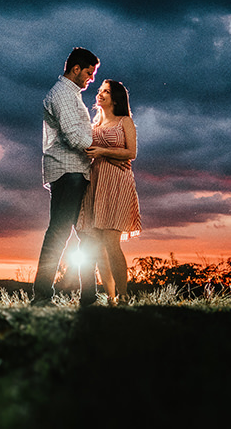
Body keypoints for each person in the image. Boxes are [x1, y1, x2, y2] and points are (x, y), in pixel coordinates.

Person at [32, 47, 101, 306]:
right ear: (75, 69)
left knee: (85, 233)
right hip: (68, 171)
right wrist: (105, 150)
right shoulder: (62, 94)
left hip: (76, 172)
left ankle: (88, 297)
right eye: (89, 72)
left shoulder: (70, 94)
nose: (91, 78)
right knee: (60, 232)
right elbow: (75, 137)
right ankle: (41, 296)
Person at [77, 79, 141, 305]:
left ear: (116, 98)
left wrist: (104, 151)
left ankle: (123, 296)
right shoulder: (93, 125)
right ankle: (111, 297)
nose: (100, 94)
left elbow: (131, 153)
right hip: (95, 183)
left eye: (106, 91)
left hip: (117, 182)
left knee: (111, 240)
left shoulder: (125, 121)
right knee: (97, 243)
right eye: (100, 90)